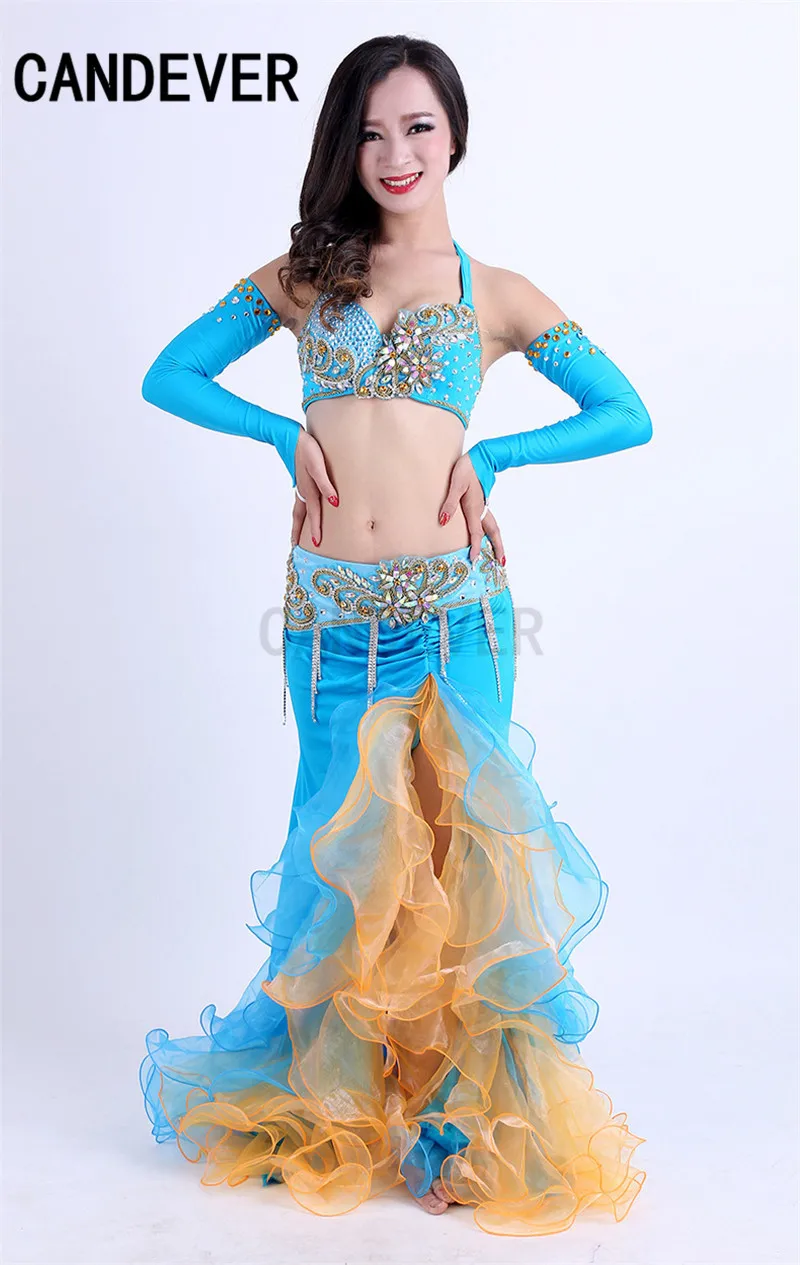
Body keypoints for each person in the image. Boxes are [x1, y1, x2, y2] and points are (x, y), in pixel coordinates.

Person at [138, 34, 652, 1238]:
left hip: (453, 611)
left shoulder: (497, 294)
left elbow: (624, 411)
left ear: (454, 134)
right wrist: (280, 434)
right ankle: (327, 1107)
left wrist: (498, 453)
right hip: (327, 620)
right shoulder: (302, 275)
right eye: (369, 132)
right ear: (343, 145)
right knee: (342, 859)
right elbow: (171, 373)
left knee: (455, 861)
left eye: (417, 126)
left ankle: (457, 1130)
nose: (394, 152)